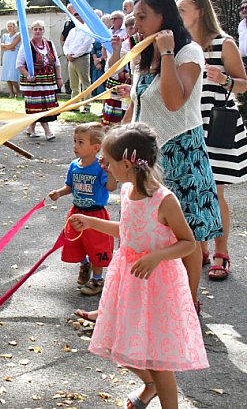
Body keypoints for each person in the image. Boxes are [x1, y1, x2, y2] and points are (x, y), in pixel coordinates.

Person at [70, 123, 207, 409]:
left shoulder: (164, 200)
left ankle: (162, 392)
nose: (103, 165)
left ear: (128, 163)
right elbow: (129, 231)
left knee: (158, 360)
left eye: (108, 161)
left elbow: (188, 243)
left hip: (157, 287)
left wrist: (157, 256)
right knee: (122, 344)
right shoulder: (128, 189)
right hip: (129, 281)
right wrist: (92, 222)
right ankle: (150, 385)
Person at [121, 0, 222, 313]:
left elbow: (174, 100)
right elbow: (138, 104)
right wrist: (116, 139)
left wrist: (166, 53)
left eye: (142, 17)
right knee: (147, 229)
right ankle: (144, 301)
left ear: (164, 17)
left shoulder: (188, 52)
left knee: (186, 232)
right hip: (148, 156)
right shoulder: (143, 53)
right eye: (134, 17)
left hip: (180, 153)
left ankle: (188, 302)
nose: (135, 25)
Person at [176, 0, 247, 281]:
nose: (178, 14)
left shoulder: (224, 43)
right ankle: (200, 247)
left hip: (218, 123)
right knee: (195, 189)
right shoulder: (180, 46)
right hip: (188, 122)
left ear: (200, 11)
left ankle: (222, 252)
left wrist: (225, 79)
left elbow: (243, 84)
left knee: (215, 191)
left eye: (183, 9)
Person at [48, 123, 117, 296]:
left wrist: (109, 172)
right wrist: (59, 193)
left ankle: (98, 279)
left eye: (80, 142)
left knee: (97, 247)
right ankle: (85, 264)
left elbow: (111, 187)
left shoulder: (100, 168)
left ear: (95, 148)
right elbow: (69, 186)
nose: (75, 146)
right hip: (77, 213)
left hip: (96, 215)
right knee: (75, 243)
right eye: (74, 141)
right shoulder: (73, 165)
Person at [17, 20, 62, 140]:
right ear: (32, 31)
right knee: (39, 107)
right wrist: (28, 75)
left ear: (43, 30)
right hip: (34, 83)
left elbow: (56, 63)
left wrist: (59, 78)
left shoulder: (49, 44)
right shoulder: (27, 45)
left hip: (48, 81)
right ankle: (47, 131)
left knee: (45, 106)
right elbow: (19, 64)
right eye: (35, 29)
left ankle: (30, 128)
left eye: (40, 29)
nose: (38, 31)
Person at [63, 11, 94, 113]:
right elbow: (66, 44)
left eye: (77, 15)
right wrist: (67, 54)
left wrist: (74, 55)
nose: (75, 17)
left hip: (82, 58)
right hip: (71, 59)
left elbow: (85, 45)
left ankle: (86, 106)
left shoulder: (87, 30)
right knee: (74, 84)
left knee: (85, 82)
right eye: (74, 16)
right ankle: (75, 105)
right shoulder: (72, 31)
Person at [0, 20, 22, 97]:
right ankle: (11, 93)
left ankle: (18, 92)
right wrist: (8, 47)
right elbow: (2, 47)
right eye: (8, 26)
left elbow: (13, 45)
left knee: (12, 75)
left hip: (14, 56)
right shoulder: (5, 36)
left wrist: (6, 46)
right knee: (7, 75)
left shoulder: (18, 35)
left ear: (14, 27)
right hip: (6, 56)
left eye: (11, 26)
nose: (9, 28)